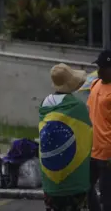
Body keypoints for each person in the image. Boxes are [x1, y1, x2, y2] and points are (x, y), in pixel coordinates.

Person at [39, 63, 91, 211]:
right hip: (73, 178)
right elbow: (86, 134)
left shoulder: (44, 104)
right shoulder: (77, 106)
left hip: (50, 175)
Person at [87, 50, 111, 211]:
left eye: (103, 67)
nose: (99, 70)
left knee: (107, 197)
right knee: (84, 187)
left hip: (108, 153)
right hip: (92, 149)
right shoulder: (95, 84)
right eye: (98, 67)